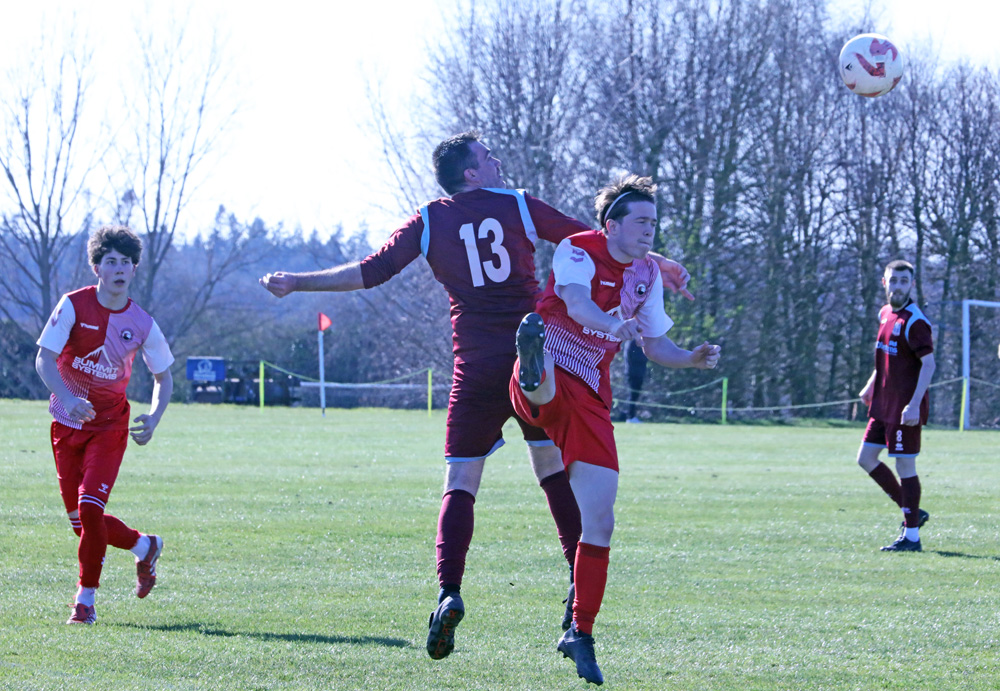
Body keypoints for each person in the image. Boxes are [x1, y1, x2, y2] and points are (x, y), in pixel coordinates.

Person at [259, 132, 692, 660]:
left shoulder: (428, 219)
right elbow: (598, 238)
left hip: (476, 365)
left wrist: (297, 282)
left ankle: (449, 592)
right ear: (471, 172)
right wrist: (660, 261)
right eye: (488, 157)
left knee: (461, 481)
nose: (497, 161)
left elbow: (370, 272)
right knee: (551, 467)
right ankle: (574, 581)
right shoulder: (517, 204)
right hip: (538, 356)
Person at [510, 174, 721, 686]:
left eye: (654, 223)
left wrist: (691, 359)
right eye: (641, 222)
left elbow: (655, 345)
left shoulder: (646, 274)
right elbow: (576, 303)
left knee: (600, 522)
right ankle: (531, 371)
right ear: (612, 225)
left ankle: (579, 631)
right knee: (544, 381)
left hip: (592, 394)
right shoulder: (577, 248)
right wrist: (610, 325)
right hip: (555, 359)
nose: (651, 231)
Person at [35, 225, 175, 625]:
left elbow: (164, 377)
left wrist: (155, 418)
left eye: (126, 262)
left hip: (111, 428)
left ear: (134, 269)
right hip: (66, 425)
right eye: (110, 261)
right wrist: (67, 397)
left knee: (90, 509)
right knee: (80, 524)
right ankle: (145, 547)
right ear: (96, 267)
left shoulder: (142, 323)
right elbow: (44, 359)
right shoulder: (73, 305)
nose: (119, 269)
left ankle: (85, 602)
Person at [855, 259, 935, 552]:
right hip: (882, 404)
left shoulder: (915, 322)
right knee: (865, 458)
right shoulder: (885, 313)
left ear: (911, 284)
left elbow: (929, 365)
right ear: (884, 282)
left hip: (904, 409)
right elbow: (885, 358)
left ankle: (911, 537)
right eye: (893, 280)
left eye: (904, 281)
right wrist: (870, 385)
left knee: (904, 465)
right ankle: (912, 510)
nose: (898, 286)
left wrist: (914, 405)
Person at [624, 339, 648, 423]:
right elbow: (635, 358)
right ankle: (630, 417)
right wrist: (647, 356)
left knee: (635, 395)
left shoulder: (634, 342)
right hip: (633, 373)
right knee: (633, 395)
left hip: (638, 373)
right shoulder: (632, 342)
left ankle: (632, 416)